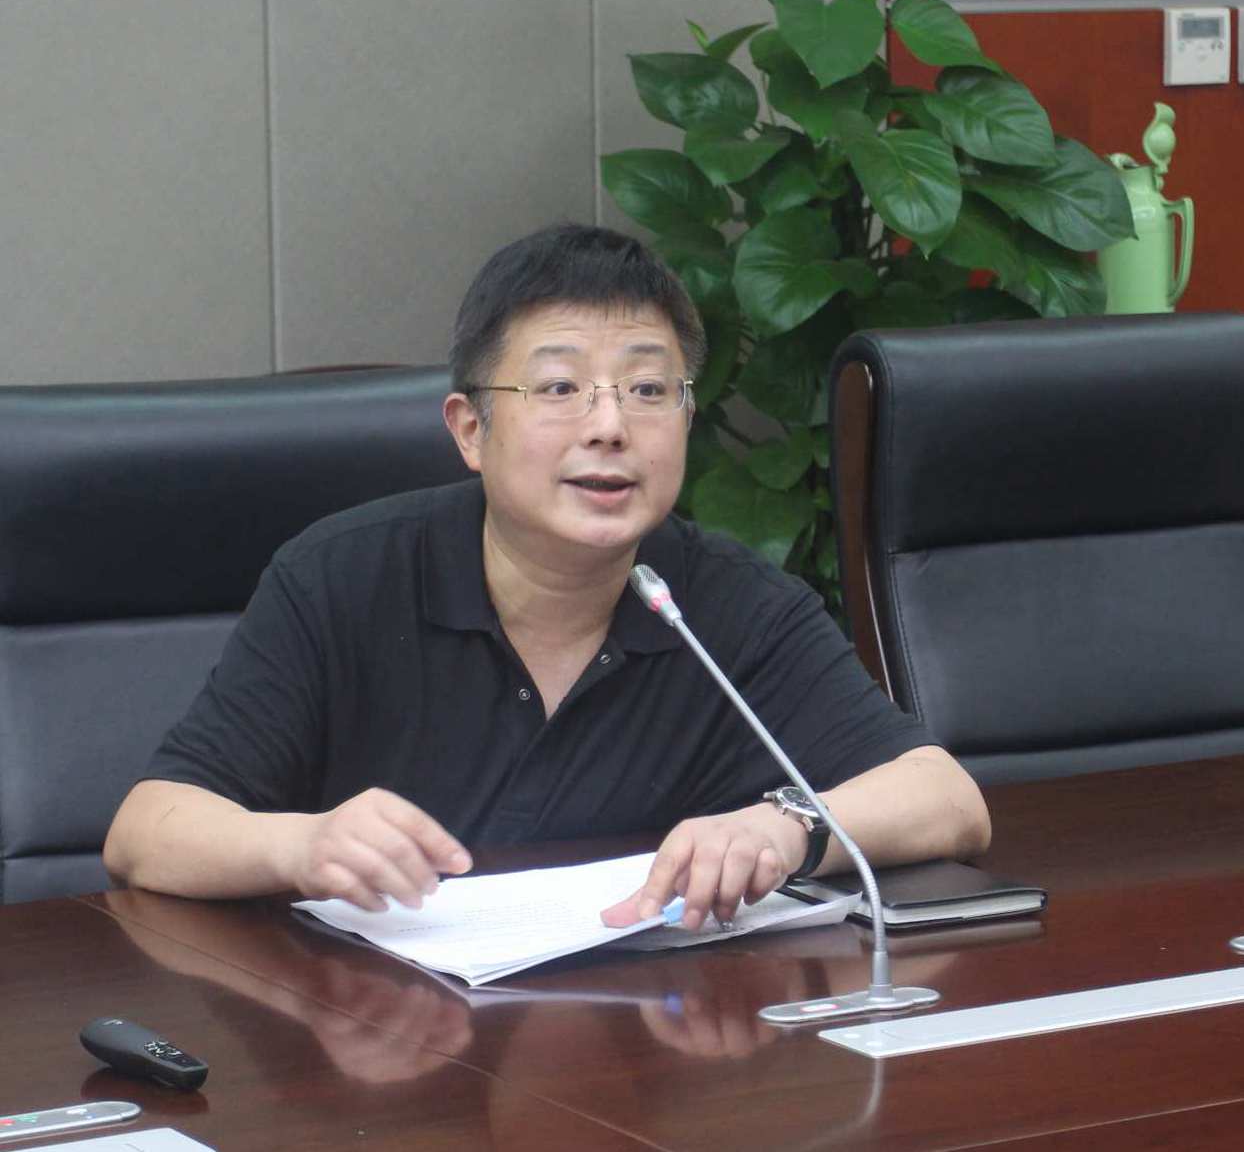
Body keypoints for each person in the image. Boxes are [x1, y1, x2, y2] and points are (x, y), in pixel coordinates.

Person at [104, 224, 989, 931]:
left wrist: (787, 825)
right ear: (470, 429)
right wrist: (301, 845)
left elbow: (946, 799)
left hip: (648, 1045)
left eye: (649, 390)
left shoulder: (725, 602)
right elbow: (147, 829)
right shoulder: (340, 578)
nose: (610, 426)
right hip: (378, 1049)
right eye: (560, 388)